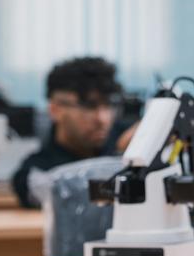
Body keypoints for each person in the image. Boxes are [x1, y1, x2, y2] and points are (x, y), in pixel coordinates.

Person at [12, 56, 137, 208]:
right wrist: (119, 159)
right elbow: (70, 195)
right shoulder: (37, 170)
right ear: (55, 109)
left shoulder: (127, 137)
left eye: (108, 105)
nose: (102, 119)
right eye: (89, 106)